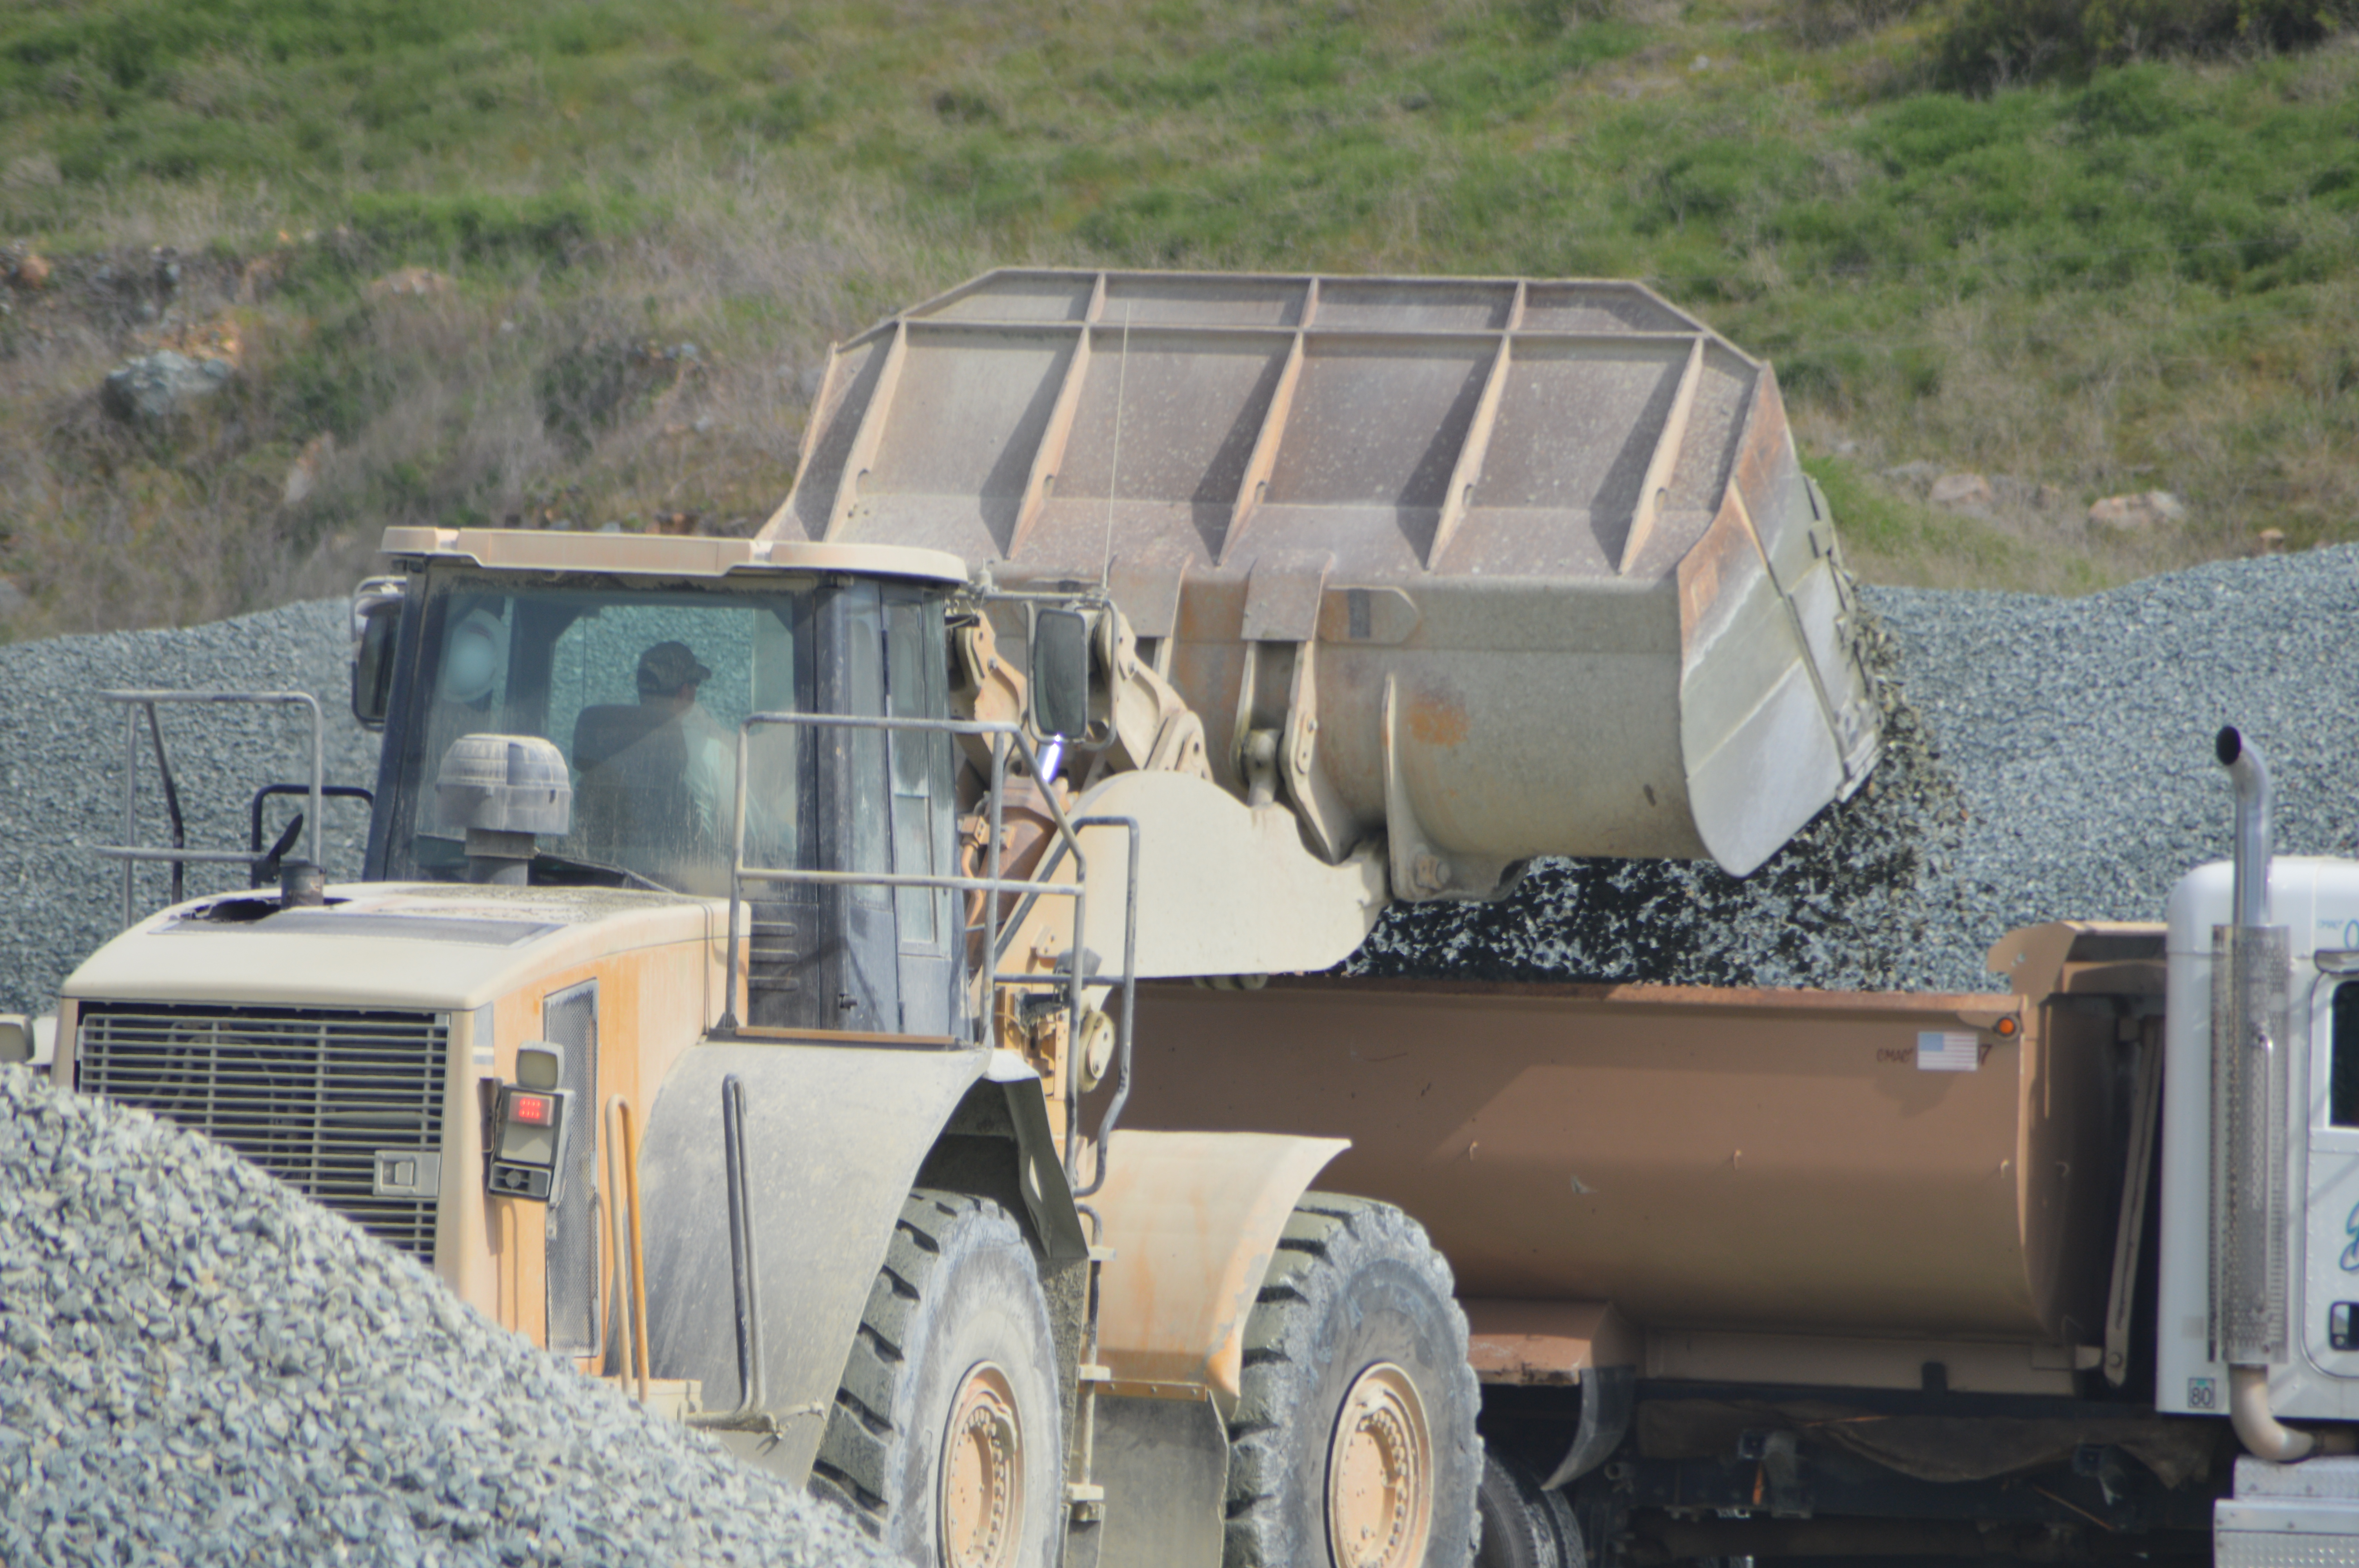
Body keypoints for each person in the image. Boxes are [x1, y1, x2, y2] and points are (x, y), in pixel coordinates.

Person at [636, 641, 738, 848]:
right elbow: (755, 832)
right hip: (690, 875)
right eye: (696, 684)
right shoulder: (711, 754)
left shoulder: (613, 747)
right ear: (685, 692)